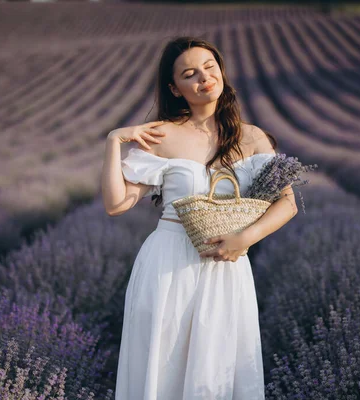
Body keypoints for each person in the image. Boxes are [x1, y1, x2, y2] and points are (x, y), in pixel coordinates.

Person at [101, 36, 298, 400]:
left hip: (227, 265)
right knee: (164, 368)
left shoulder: (252, 138)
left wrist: (245, 239)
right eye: (190, 74)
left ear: (221, 73)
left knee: (219, 368)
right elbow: (116, 204)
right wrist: (115, 140)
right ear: (175, 88)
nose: (204, 78)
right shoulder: (162, 135)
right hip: (168, 263)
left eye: (210, 68)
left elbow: (287, 203)